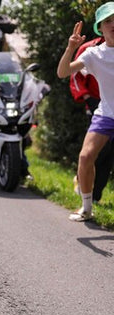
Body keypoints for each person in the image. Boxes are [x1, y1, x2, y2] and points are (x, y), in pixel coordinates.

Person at [57, 2, 114, 222]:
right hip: (106, 114)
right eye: (108, 21)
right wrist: (71, 48)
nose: (113, 24)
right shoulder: (93, 54)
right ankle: (87, 208)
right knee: (85, 156)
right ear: (101, 27)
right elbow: (63, 72)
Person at [69, 36, 114, 204]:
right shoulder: (90, 49)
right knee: (96, 153)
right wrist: (86, 97)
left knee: (108, 155)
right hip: (97, 106)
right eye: (108, 20)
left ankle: (96, 196)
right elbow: (74, 76)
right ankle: (85, 190)